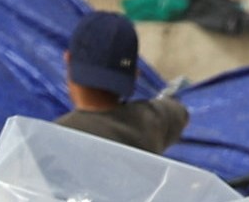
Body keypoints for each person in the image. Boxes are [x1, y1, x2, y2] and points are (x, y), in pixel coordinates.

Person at [49, 12, 189, 155]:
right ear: (135, 74)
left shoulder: (54, 138)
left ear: (68, 59)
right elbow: (178, 111)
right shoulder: (154, 121)